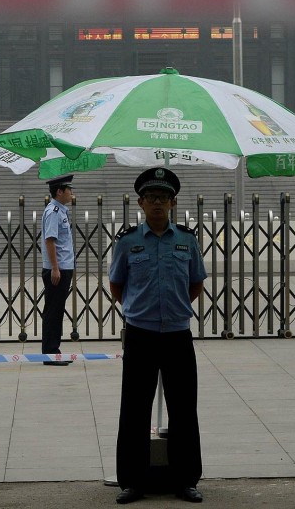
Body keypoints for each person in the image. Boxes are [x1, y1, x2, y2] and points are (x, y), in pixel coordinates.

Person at [109, 167, 206, 504]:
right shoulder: (128, 242)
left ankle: (186, 480)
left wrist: (174, 308)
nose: (157, 204)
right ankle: (131, 482)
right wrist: (140, 310)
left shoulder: (187, 240)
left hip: (178, 334)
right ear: (140, 202)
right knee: (134, 408)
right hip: (141, 335)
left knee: (183, 409)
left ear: (173, 202)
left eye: (163, 198)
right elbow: (116, 286)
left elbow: (196, 283)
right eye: (151, 198)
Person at [41, 174, 75, 366]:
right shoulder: (54, 211)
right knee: (53, 311)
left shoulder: (61, 210)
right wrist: (55, 268)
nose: (71, 192)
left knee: (57, 310)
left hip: (63, 266)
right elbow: (50, 240)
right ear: (59, 191)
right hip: (58, 269)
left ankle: (55, 350)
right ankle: (50, 353)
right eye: (69, 189)